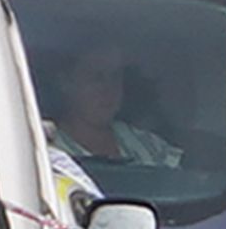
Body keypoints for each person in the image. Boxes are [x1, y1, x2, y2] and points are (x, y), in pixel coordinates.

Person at [44, 43, 182, 167]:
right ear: (65, 83)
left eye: (115, 77)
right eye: (97, 78)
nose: (109, 89)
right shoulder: (46, 153)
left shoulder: (150, 146)